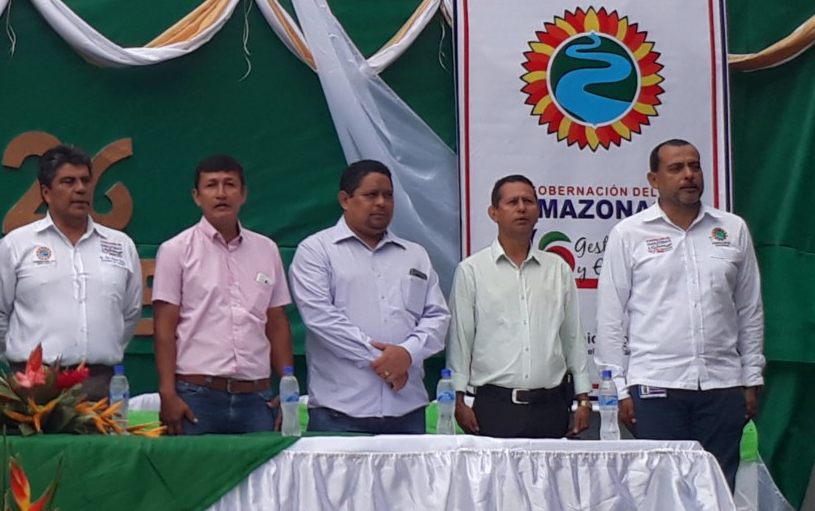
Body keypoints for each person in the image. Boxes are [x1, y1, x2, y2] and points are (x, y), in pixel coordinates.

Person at [596, 139, 764, 488]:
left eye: (695, 166)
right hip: (656, 387)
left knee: (717, 494)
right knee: (662, 496)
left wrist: (751, 379)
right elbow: (611, 319)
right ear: (653, 180)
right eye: (676, 168)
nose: (689, 175)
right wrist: (620, 391)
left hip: (723, 386)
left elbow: (749, 309)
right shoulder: (629, 234)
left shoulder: (732, 229)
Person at [288, 159, 448, 435]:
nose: (381, 203)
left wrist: (407, 354)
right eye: (371, 195)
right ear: (345, 200)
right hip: (340, 411)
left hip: (407, 411)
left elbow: (437, 317)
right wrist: (387, 362)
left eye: (388, 195)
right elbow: (321, 319)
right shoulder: (316, 251)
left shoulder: (415, 254)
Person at [0, 143, 144, 397]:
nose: (80, 189)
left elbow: (130, 313)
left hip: (99, 384)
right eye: (68, 182)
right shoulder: (16, 245)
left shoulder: (120, 245)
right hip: (33, 383)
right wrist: (22, 362)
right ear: (46, 193)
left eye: (85, 180)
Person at [150, 155, 292, 435]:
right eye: (211, 185)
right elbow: (164, 329)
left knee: (261, 479)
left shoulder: (267, 249)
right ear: (197, 196)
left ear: (243, 194)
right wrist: (168, 394)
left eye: (230, 184)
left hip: (257, 397)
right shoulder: (175, 250)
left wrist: (288, 387)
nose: (221, 193)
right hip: (196, 394)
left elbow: (276, 323)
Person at [448, 174, 591, 439]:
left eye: (529, 201)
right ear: (493, 213)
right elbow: (461, 340)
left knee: (552, 481)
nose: (522, 208)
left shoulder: (557, 269)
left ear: (538, 211)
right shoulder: (472, 270)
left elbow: (572, 337)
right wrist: (458, 401)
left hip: (551, 406)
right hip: (494, 407)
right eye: (512, 202)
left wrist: (583, 399)